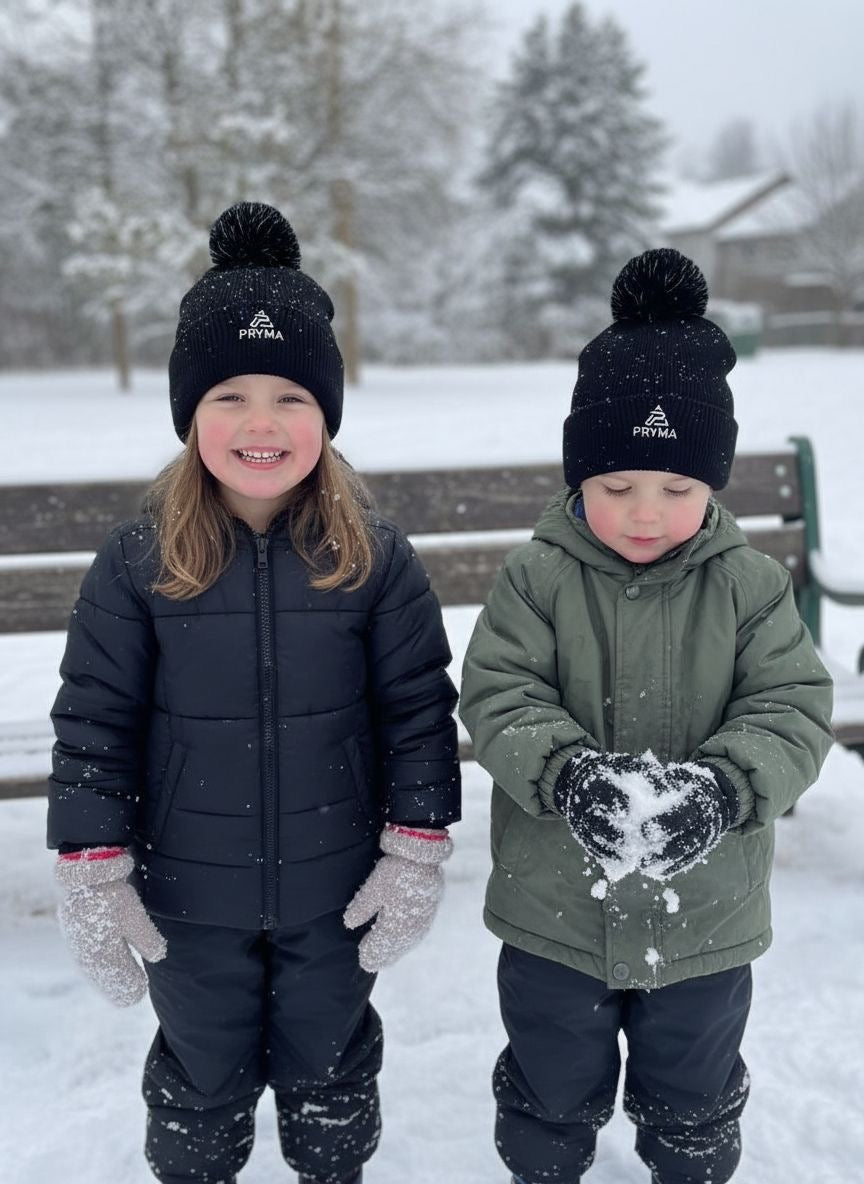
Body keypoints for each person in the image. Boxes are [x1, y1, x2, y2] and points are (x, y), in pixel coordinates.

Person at [48, 201, 460, 1184]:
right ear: (191, 412)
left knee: (330, 1066)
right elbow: (95, 719)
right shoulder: (141, 556)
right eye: (230, 393)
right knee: (200, 1070)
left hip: (335, 887)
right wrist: (94, 866)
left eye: (292, 396)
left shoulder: (376, 558)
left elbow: (415, 712)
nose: (262, 422)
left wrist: (414, 849)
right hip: (187, 893)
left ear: (328, 414)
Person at [459, 248, 834, 1184]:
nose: (644, 513)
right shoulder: (536, 577)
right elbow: (500, 691)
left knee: (694, 1094)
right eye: (617, 486)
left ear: (713, 483)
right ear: (579, 475)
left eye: (676, 487)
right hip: (556, 911)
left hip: (706, 916)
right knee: (548, 1087)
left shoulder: (747, 586)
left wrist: (723, 786)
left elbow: (791, 704)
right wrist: (565, 771)